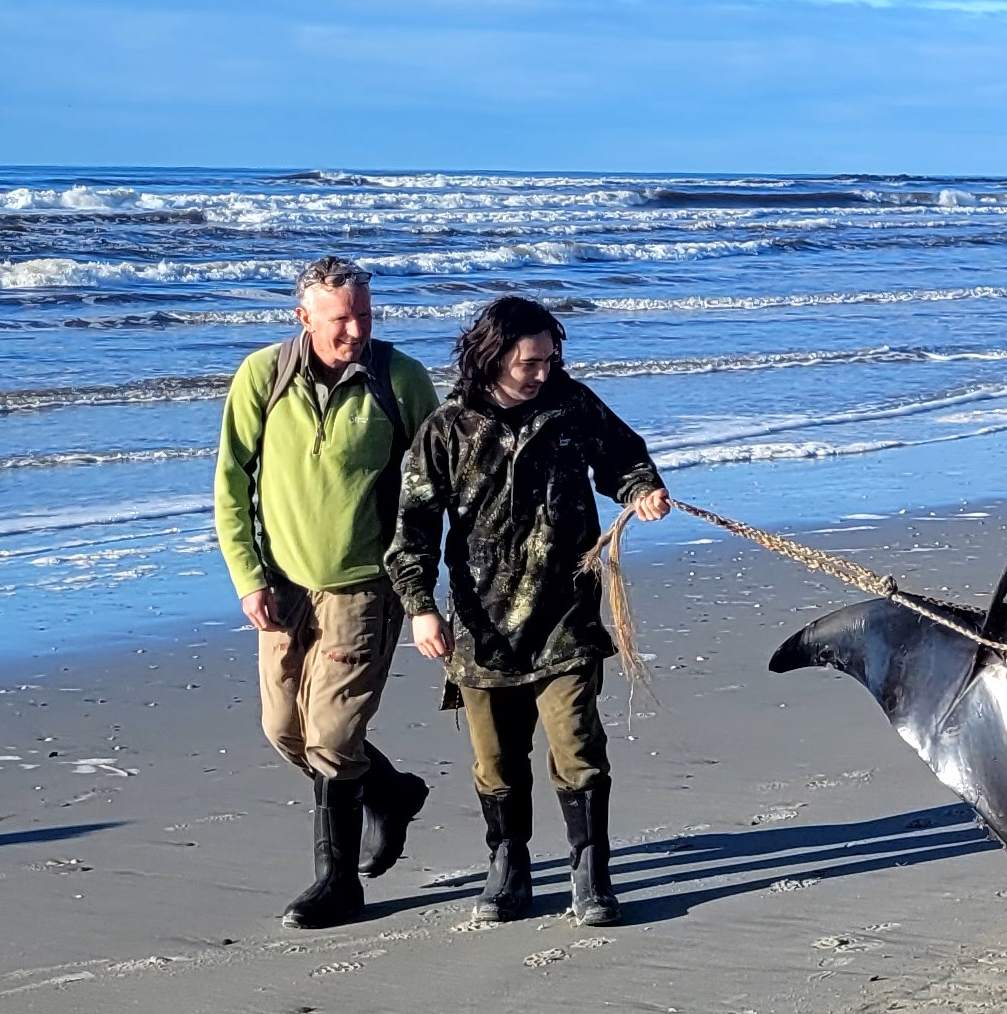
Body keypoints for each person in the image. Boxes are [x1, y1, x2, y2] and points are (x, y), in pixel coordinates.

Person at [390, 295, 670, 928]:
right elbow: (411, 532)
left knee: (577, 747)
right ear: (492, 356)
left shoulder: (573, 408)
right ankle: (508, 864)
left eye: (550, 358)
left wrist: (643, 489)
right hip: (481, 627)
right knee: (495, 760)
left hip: (566, 615)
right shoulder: (446, 429)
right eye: (530, 362)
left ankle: (590, 872)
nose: (543, 371)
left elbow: (623, 458)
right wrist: (420, 609)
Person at [214, 256, 442, 930]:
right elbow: (231, 484)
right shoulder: (263, 375)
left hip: (365, 587)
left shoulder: (400, 380)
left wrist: (424, 589)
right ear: (304, 316)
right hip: (283, 588)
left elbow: (435, 485)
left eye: (365, 315)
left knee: (334, 737)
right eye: (340, 318)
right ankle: (393, 793)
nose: (355, 330)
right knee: (284, 731)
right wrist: (248, 577)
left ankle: (337, 884)